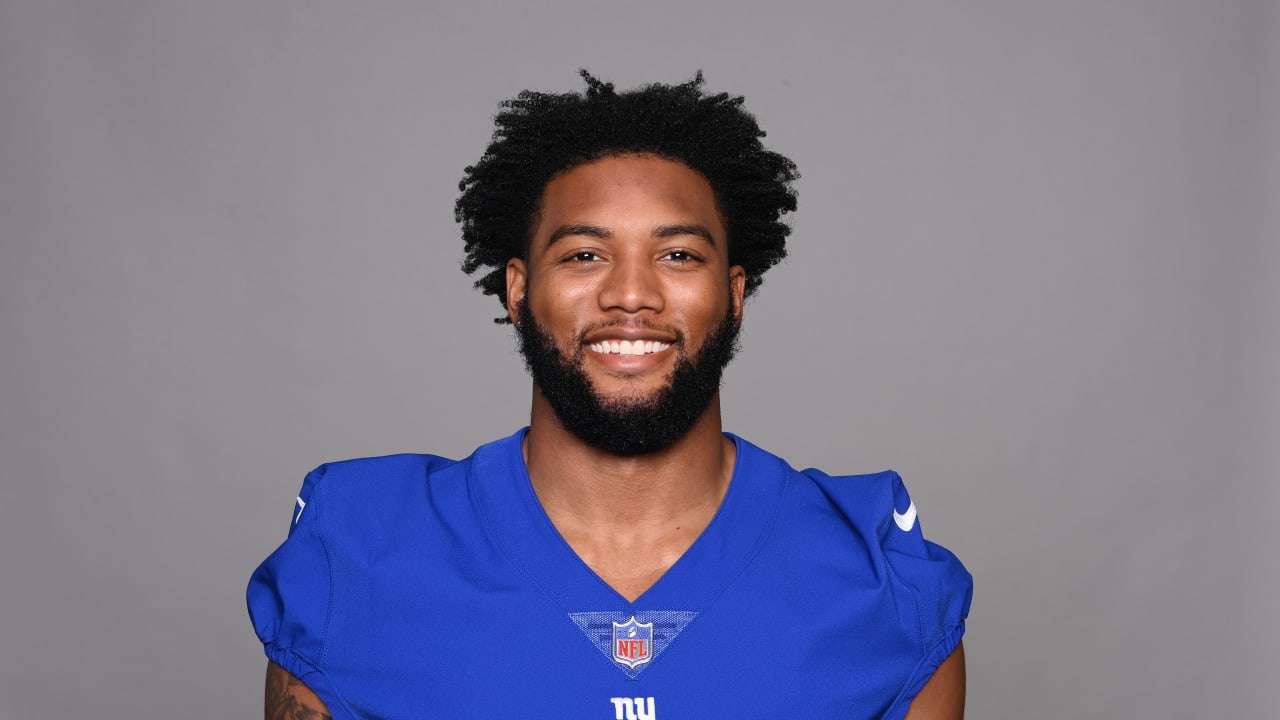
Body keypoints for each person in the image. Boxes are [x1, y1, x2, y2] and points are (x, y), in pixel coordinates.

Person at [248, 71, 971, 720]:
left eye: (679, 255)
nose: (631, 294)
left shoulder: (880, 581)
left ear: (736, 292)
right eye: (584, 255)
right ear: (519, 288)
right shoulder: (359, 556)